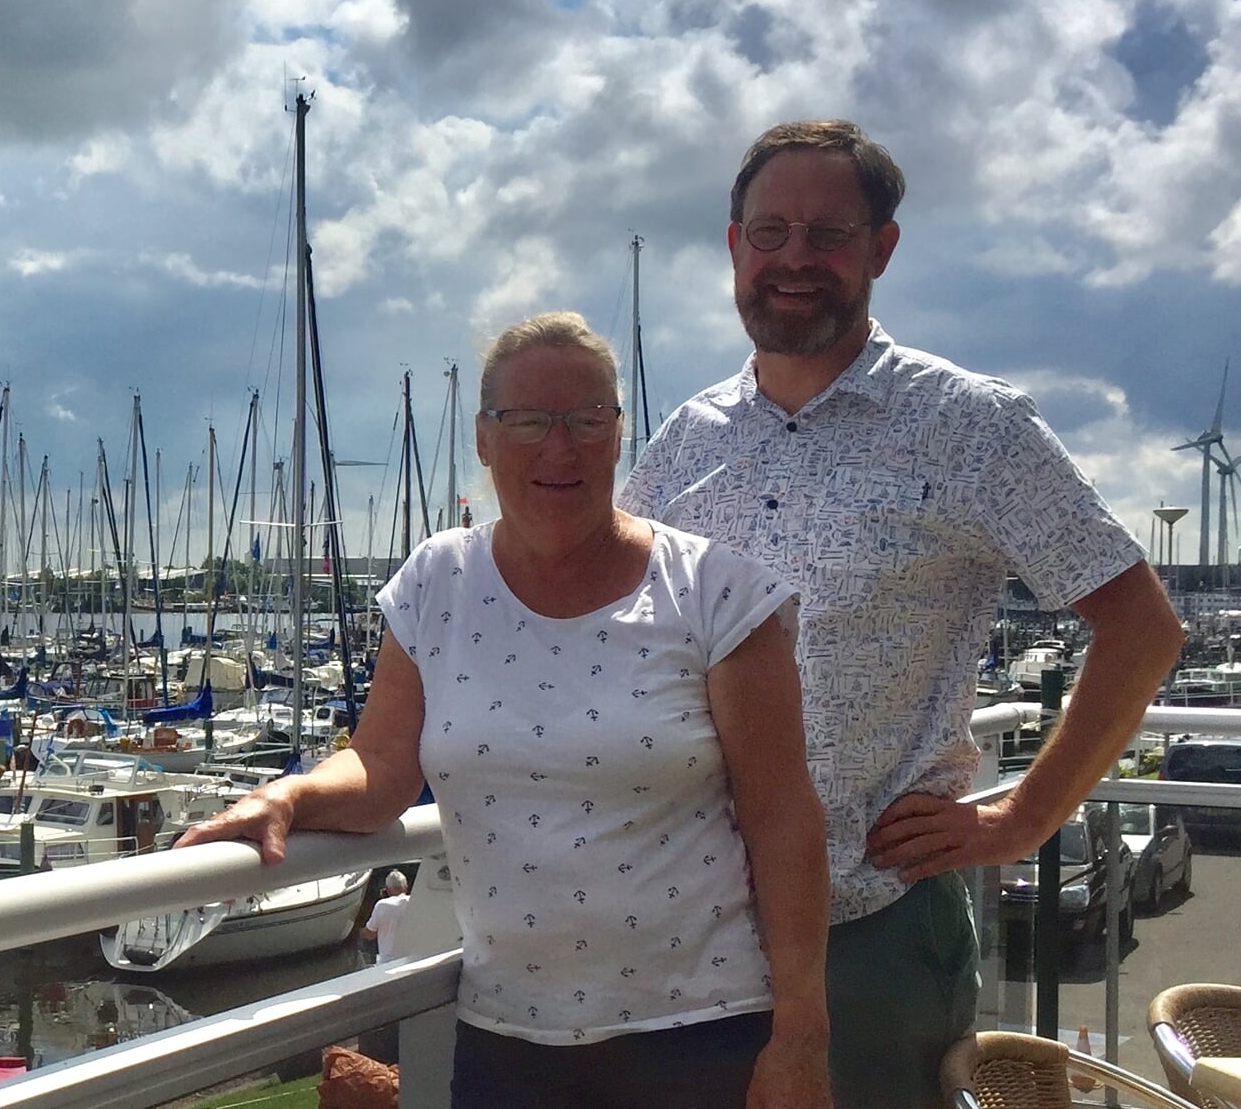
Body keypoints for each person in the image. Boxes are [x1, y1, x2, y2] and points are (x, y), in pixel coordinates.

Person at [619, 119, 1185, 1108]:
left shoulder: (970, 425)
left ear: (880, 248)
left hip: (867, 933)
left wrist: (1026, 814)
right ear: (732, 245)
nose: (794, 258)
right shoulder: (688, 437)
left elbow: (1143, 630)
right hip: (688, 925)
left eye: (828, 233)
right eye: (770, 231)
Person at [178, 312, 831, 1108]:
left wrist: (801, 1033)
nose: (560, 448)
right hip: (507, 1040)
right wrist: (287, 795)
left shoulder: (715, 593)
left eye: (588, 419)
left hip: (699, 1032)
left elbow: (783, 816)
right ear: (484, 439)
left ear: (619, 434)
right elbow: (383, 767)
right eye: (528, 422)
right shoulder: (435, 583)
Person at [363, 869, 411, 964]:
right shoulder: (414, 901)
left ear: (387, 889)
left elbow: (370, 934)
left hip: (387, 961)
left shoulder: (381, 905)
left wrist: (359, 932)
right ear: (406, 887)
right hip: (410, 959)